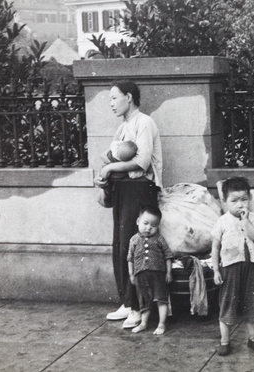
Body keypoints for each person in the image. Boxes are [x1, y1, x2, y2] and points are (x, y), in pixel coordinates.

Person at [95, 79, 163, 329]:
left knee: (133, 247)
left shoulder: (144, 122)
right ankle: (127, 301)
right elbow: (110, 156)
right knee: (120, 246)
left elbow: (143, 161)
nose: (111, 103)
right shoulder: (123, 127)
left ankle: (138, 308)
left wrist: (111, 166)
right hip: (123, 189)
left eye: (114, 97)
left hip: (139, 190)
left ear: (129, 97)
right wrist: (105, 173)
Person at [211, 176, 254, 356]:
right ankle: (225, 341)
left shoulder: (253, 218)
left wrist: (245, 221)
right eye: (234, 201)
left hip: (249, 267)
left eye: (244, 199)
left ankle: (253, 339)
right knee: (228, 303)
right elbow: (215, 247)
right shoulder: (222, 221)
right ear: (225, 202)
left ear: (249, 199)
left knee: (251, 302)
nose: (240, 204)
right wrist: (215, 270)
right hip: (229, 268)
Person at [127, 205, 173, 335]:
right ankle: (144, 323)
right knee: (144, 300)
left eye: (153, 225)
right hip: (140, 275)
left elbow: (168, 256)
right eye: (145, 223)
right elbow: (130, 258)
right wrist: (131, 274)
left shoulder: (159, 239)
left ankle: (161, 324)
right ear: (138, 222)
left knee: (161, 299)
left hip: (158, 275)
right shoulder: (134, 240)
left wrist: (169, 272)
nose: (149, 227)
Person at [97, 141, 138, 208]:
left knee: (108, 182)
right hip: (113, 171)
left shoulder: (115, 150)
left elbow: (114, 144)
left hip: (112, 173)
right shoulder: (120, 154)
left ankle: (106, 196)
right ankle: (106, 195)